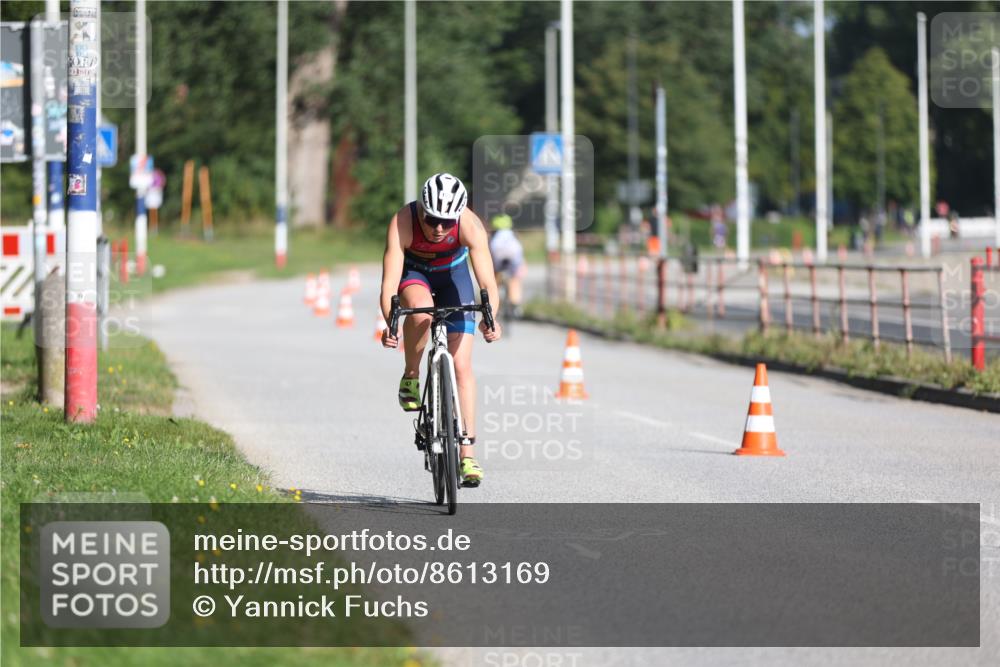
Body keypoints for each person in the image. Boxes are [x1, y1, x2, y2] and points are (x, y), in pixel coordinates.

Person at [379, 173, 502, 487]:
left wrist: (491, 318)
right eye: (432, 219)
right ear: (421, 209)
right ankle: (411, 375)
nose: (438, 229)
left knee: (462, 367)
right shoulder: (403, 221)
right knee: (421, 313)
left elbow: (487, 282)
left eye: (447, 222)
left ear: (458, 215)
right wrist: (391, 322)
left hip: (452, 277)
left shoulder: (470, 225)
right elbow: (390, 282)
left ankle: (468, 456)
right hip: (415, 275)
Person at [488, 213, 526, 317]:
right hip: (513, 254)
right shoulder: (513, 233)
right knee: (515, 279)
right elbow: (519, 249)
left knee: (493, 279)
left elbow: (488, 251)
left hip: (497, 253)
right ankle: (515, 305)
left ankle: (495, 303)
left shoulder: (493, 234)